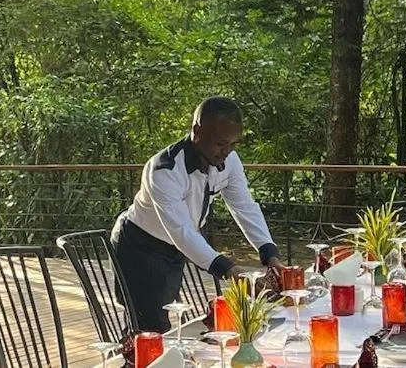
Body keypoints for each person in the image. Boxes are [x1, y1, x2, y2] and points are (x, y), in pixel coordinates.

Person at [112, 96, 283, 333]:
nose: (227, 152)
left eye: (233, 144)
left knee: (164, 328)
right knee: (149, 332)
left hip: (174, 248)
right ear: (197, 131)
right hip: (140, 247)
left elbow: (245, 207)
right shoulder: (164, 170)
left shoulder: (229, 160)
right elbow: (182, 231)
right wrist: (230, 271)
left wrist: (270, 254)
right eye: (221, 144)